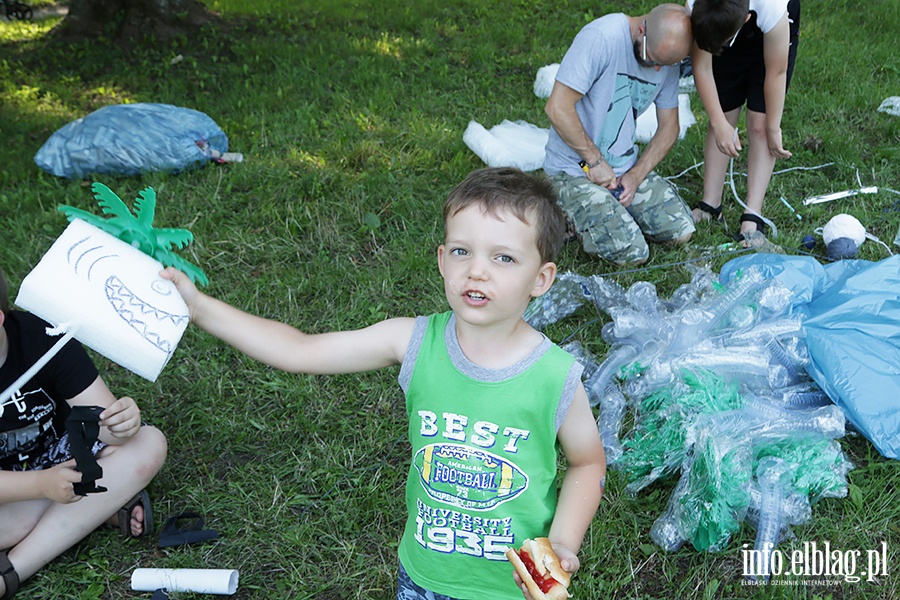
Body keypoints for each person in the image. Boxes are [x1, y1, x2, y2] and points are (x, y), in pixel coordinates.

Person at [162, 167, 607, 600]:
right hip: (424, 574)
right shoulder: (411, 341)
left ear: (541, 279)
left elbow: (587, 463)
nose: (476, 271)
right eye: (461, 251)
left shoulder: (555, 374)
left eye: (503, 258)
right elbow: (300, 350)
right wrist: (199, 308)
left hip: (509, 588)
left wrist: (563, 543)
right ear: (441, 258)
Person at [0, 267, 167, 600]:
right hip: (12, 496)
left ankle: (11, 570)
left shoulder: (43, 337)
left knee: (148, 444)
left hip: (65, 459)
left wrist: (120, 424)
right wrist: (41, 485)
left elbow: (102, 422)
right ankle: (101, 508)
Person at [543, 3, 696, 266]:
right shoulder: (601, 38)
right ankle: (559, 207)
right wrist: (595, 161)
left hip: (622, 169)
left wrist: (636, 175)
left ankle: (607, 210)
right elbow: (557, 108)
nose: (659, 70)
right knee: (633, 253)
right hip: (574, 167)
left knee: (681, 231)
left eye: (667, 65)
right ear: (641, 29)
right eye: (654, 60)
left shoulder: (667, 54)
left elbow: (670, 127)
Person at [687, 0, 800, 239]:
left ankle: (753, 213)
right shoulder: (697, 6)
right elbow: (702, 67)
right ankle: (711, 203)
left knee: (760, 124)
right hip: (720, 21)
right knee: (724, 112)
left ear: (746, 18)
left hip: (770, 31)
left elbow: (776, 72)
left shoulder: (772, 7)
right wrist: (719, 123)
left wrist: (773, 126)